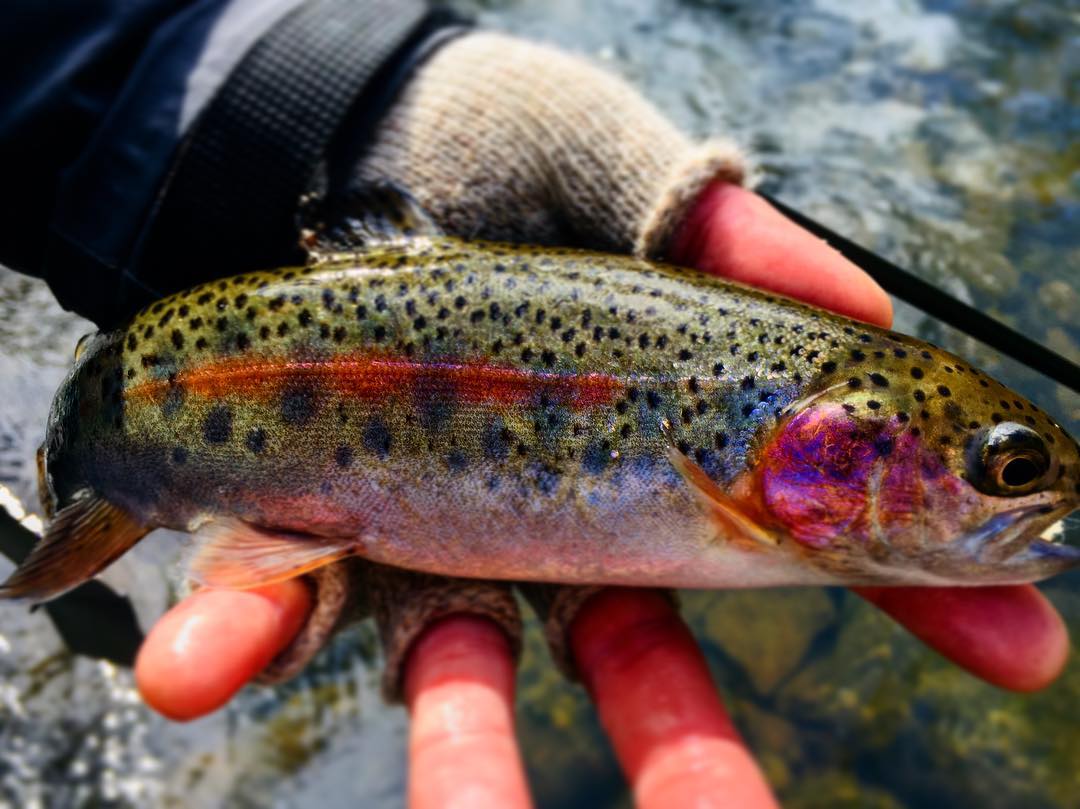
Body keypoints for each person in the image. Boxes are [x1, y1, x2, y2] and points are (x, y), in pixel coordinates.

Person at [0, 2, 1069, 806]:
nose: (1027, 498)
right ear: (841, 432)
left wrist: (250, 84)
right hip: (137, 400)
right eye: (1007, 469)